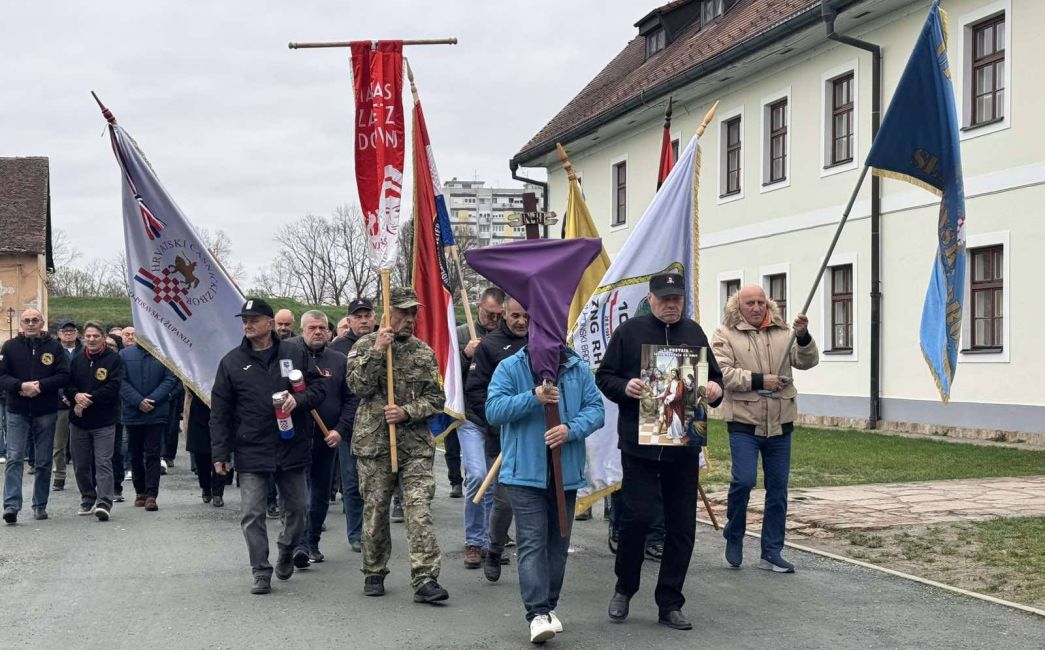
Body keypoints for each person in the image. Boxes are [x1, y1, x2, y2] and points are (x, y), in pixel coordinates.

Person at [596, 271, 724, 631]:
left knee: (681, 526)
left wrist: (714, 389)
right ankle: (625, 588)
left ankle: (670, 602)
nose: (671, 305)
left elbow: (715, 379)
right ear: (650, 299)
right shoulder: (630, 332)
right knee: (636, 519)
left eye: (676, 299)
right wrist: (626, 386)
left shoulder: (694, 333)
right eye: (664, 299)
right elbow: (604, 376)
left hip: (682, 447)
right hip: (640, 446)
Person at [486, 342, 604, 643]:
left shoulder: (578, 368)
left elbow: (596, 410)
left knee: (558, 543)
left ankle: (549, 607)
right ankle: (537, 613)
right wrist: (533, 397)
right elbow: (493, 410)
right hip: (523, 473)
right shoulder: (511, 366)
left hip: (565, 473)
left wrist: (570, 429)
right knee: (532, 541)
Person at [210, 298, 324, 595]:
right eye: (244, 319)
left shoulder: (294, 353)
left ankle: (287, 548)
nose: (248, 323)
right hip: (251, 449)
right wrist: (220, 453)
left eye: (254, 318)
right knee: (252, 513)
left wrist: (297, 400)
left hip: (291, 446)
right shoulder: (232, 362)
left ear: (270, 323)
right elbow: (219, 412)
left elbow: (319, 389)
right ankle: (261, 570)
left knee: (299, 509)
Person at [346, 287, 448, 603]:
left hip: (415, 445)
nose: (409, 318)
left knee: (419, 509)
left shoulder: (423, 352)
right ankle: (374, 570)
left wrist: (407, 411)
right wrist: (378, 349)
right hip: (375, 444)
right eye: (403, 312)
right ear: (388, 314)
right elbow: (357, 386)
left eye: (413, 313)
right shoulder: (363, 345)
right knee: (376, 510)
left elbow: (437, 398)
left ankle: (425, 577)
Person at [712, 285, 819, 573]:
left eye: (761, 302)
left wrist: (804, 336)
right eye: (750, 303)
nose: (757, 307)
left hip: (780, 421)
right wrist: (761, 381)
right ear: (738, 306)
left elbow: (807, 361)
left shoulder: (784, 331)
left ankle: (771, 551)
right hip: (744, 421)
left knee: (778, 489)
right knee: (744, 481)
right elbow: (723, 374)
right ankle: (734, 534)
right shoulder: (726, 334)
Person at [464, 295, 527, 580]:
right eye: (515, 315)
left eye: (527, 316)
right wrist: (496, 420)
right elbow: (476, 392)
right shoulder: (489, 346)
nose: (522, 321)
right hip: (502, 434)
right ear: (505, 315)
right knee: (504, 499)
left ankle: (533, 556)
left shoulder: (543, 342)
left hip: (538, 434)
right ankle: (494, 547)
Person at [291, 310, 350, 566]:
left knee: (320, 493)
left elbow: (351, 399)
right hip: (295, 438)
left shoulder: (338, 360)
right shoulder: (290, 359)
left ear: (329, 331)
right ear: (302, 331)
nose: (317, 332)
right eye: (312, 328)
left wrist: (340, 430)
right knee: (296, 493)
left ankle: (312, 540)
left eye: (322, 328)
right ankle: (298, 543)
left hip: (328, 438)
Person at [0, 309, 70, 523]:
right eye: (27, 321)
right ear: (21, 324)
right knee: (14, 458)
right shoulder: (10, 347)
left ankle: (40, 504)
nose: (31, 324)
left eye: (35, 320)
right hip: (17, 410)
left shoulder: (54, 347)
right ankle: (11, 505)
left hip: (45, 410)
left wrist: (40, 386)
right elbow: (2, 375)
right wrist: (20, 385)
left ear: (42, 323)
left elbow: (64, 375)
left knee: (43, 461)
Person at [455, 286, 506, 567]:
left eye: (499, 315)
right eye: (490, 314)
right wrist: (465, 355)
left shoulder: (508, 335)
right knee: (476, 475)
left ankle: (492, 541)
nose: (494, 320)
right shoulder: (463, 334)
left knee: (496, 483)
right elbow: (445, 375)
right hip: (471, 418)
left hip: (498, 420)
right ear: (478, 307)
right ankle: (474, 541)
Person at [65, 321, 125, 521]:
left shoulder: (114, 359)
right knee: (81, 464)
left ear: (103, 336)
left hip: (104, 421)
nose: (91, 339)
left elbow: (113, 387)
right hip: (79, 421)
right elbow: (68, 384)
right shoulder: (77, 359)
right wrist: (76, 396)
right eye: (88, 336)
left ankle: (104, 502)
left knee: (103, 462)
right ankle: (88, 496)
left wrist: (88, 399)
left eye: (95, 336)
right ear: (84, 337)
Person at [330, 297, 373, 552]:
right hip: (349, 423)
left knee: (376, 482)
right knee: (351, 479)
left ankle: (374, 528)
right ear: (349, 321)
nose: (364, 320)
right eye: (358, 316)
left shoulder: (383, 342)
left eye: (368, 315)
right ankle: (356, 533)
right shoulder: (337, 348)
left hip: (378, 423)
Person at [119, 338, 178, 511]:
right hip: (133, 411)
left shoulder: (164, 354)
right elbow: (121, 381)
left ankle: (152, 494)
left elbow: (170, 379)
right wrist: (138, 401)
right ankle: (140, 491)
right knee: (135, 453)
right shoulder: (125, 354)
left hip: (156, 412)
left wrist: (152, 400)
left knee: (153, 453)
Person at [51, 319, 82, 492]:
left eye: (71, 330)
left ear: (76, 333)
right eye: (65, 331)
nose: (68, 333)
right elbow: (50, 375)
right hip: (60, 403)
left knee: (81, 443)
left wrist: (77, 396)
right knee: (59, 444)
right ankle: (59, 476)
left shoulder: (84, 350)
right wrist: (62, 395)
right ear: (59, 334)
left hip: (80, 401)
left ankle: (83, 476)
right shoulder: (53, 350)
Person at [185, 393, 226, 507]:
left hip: (221, 408)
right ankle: (206, 487)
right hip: (199, 408)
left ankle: (218, 493)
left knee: (222, 452)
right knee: (201, 455)